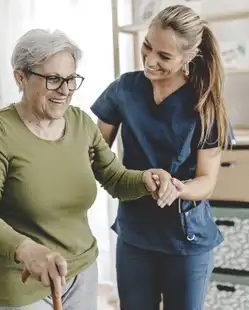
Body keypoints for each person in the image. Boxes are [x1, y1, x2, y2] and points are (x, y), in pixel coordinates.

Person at [0, 28, 179, 310]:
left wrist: (147, 178)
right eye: (53, 80)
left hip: (82, 273)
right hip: (23, 279)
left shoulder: (80, 122)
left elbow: (115, 179)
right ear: (21, 77)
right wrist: (27, 250)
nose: (65, 91)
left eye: (70, 79)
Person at [90, 5, 234, 310]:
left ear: (188, 57)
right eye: (147, 47)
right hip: (135, 235)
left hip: (186, 240)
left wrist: (179, 188)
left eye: (165, 56)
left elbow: (207, 181)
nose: (150, 60)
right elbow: (94, 151)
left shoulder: (204, 104)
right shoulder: (125, 90)